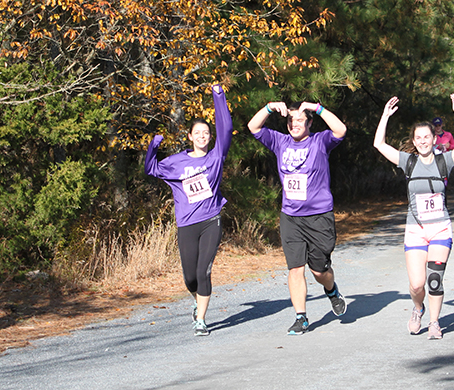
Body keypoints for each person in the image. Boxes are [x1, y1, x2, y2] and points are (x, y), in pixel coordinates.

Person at [373, 94, 454, 339]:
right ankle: (418, 308)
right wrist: (385, 116)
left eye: (426, 137)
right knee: (417, 285)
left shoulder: (444, 161)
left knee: (434, 280)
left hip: (440, 229)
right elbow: (379, 144)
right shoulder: (407, 161)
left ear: (433, 138)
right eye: (418, 138)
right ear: (414, 141)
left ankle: (434, 323)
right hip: (415, 230)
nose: (422, 141)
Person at [247, 100, 347, 335]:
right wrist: (270, 107)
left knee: (319, 271)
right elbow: (253, 127)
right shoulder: (280, 141)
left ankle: (331, 290)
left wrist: (319, 108)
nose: (295, 124)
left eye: (300, 120)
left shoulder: (320, 141)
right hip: (291, 216)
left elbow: (340, 130)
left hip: (319, 216)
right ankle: (301, 317)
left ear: (309, 122)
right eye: (291, 120)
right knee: (295, 268)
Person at [145, 84, 232, 336]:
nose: (203, 136)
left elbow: (225, 129)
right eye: (198, 132)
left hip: (210, 221)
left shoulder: (215, 158)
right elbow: (151, 169)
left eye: (206, 132)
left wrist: (218, 95)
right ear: (190, 137)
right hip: (186, 225)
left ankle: (201, 320)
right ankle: (198, 302)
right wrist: (154, 146)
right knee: (190, 278)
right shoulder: (176, 163)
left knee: (204, 271)